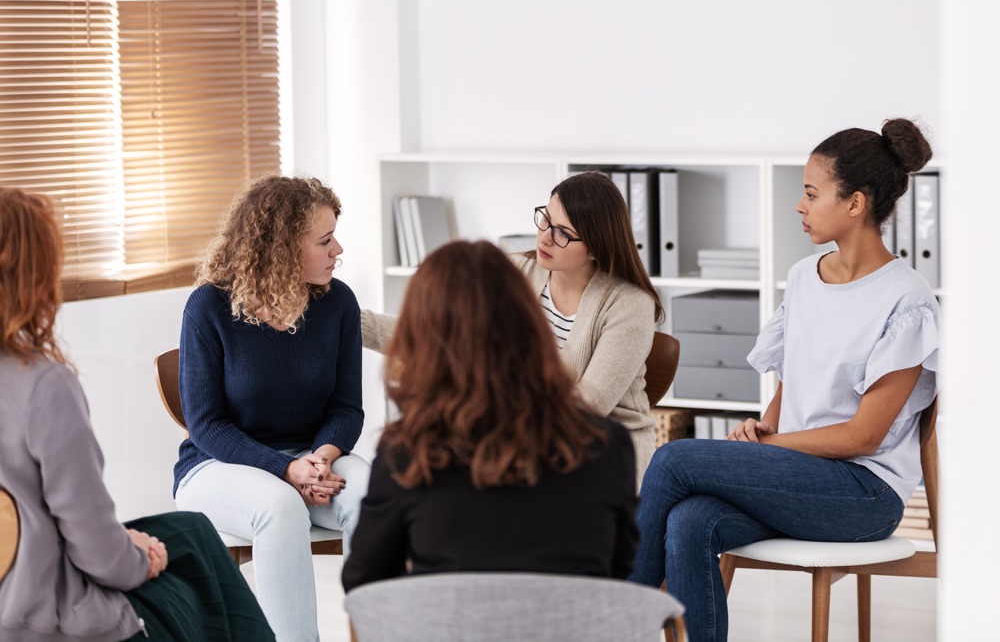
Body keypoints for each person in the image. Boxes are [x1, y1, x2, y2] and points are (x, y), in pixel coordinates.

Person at [628, 119, 941, 642]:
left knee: (673, 457)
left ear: (855, 203)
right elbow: (792, 384)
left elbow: (863, 436)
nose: (800, 205)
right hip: (796, 475)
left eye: (812, 193)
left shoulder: (906, 300)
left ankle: (613, 622)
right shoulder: (803, 277)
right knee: (689, 522)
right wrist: (762, 428)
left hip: (864, 493)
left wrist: (773, 449)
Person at [0, 187, 274, 642]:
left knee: (190, 528)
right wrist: (138, 556)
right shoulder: (44, 386)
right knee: (193, 567)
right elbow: (101, 558)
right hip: (53, 620)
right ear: (33, 276)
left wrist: (124, 542)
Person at [341, 241, 638, 592]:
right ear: (530, 322)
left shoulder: (406, 452)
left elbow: (365, 583)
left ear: (425, 340)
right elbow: (618, 573)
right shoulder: (607, 445)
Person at [363, 171, 665, 484]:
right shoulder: (516, 271)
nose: (545, 237)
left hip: (600, 454)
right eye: (545, 220)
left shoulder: (630, 305)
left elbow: (587, 407)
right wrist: (351, 322)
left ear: (594, 247)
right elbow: (437, 334)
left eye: (563, 232)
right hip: (522, 442)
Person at [172, 176, 369, 642]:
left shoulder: (337, 302)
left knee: (376, 494)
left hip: (312, 459)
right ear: (282, 248)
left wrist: (320, 457)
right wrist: (285, 468)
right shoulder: (208, 308)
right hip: (217, 465)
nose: (337, 249)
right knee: (280, 508)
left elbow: (347, 408)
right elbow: (206, 426)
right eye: (324, 240)